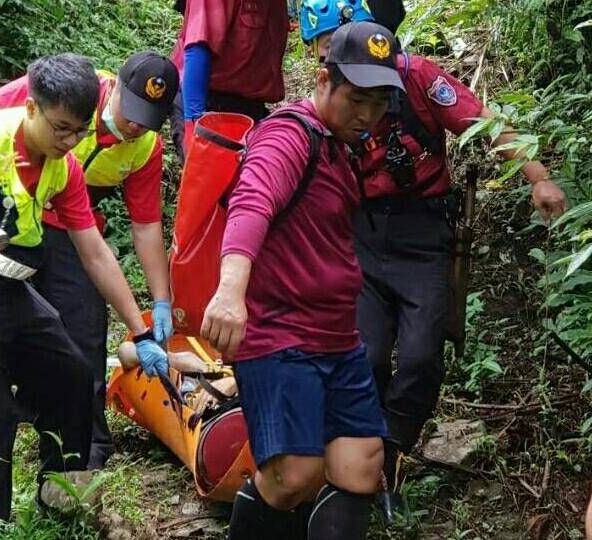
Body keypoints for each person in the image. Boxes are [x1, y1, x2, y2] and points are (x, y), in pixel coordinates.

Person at [299, 0, 568, 522]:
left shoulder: (417, 78)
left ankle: (392, 450)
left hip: (423, 234)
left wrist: (537, 175)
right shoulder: (325, 101)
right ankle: (364, 462)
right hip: (362, 235)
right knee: (367, 354)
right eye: (325, 48)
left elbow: (481, 124)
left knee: (422, 356)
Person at [0, 53, 168, 519]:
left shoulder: (63, 166)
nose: (69, 141)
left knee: (73, 373)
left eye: (78, 132)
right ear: (31, 108)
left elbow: (95, 252)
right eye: (60, 128)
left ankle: (61, 497)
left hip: (6, 286)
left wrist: (142, 330)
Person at [199, 22, 404, 540]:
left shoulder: (341, 145)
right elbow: (253, 204)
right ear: (321, 81)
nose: (367, 115)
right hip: (279, 335)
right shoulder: (288, 136)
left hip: (336, 336)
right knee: (294, 476)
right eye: (357, 99)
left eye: (379, 103)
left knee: (361, 463)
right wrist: (229, 292)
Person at [169, 0, 289, 161]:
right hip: (204, 98)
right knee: (208, 176)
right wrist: (193, 126)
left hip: (250, 104)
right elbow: (199, 46)